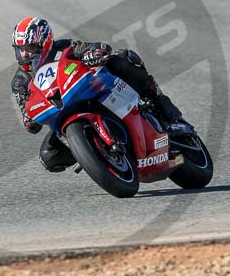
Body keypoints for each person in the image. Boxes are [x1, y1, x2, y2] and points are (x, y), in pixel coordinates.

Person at [11, 17, 187, 173]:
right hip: (60, 113)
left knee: (120, 59)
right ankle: (93, 153)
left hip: (87, 90)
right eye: (20, 49)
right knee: (48, 156)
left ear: (45, 42)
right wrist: (29, 118)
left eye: (30, 47)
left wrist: (95, 54)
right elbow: (28, 116)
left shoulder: (63, 47)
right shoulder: (20, 82)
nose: (25, 54)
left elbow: (97, 47)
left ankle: (161, 104)